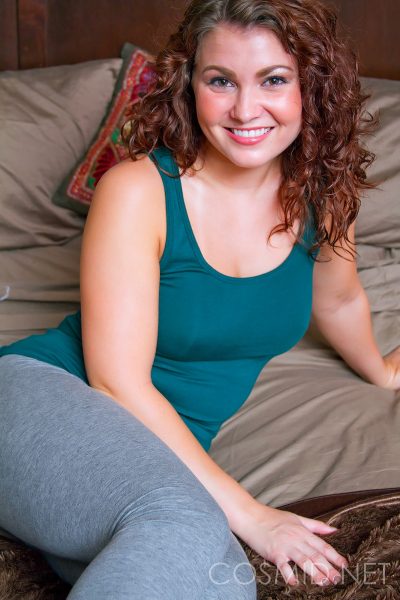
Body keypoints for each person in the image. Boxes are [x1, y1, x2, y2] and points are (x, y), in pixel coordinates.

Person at [0, 0, 399, 597]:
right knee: (185, 523)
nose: (245, 109)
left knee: (221, 577)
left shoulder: (322, 196)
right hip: (40, 396)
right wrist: (252, 513)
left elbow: (338, 301)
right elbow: (116, 383)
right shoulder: (138, 189)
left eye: (273, 80)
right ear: (189, 86)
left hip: (151, 457)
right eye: (221, 81)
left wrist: (383, 371)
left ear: (311, 88)